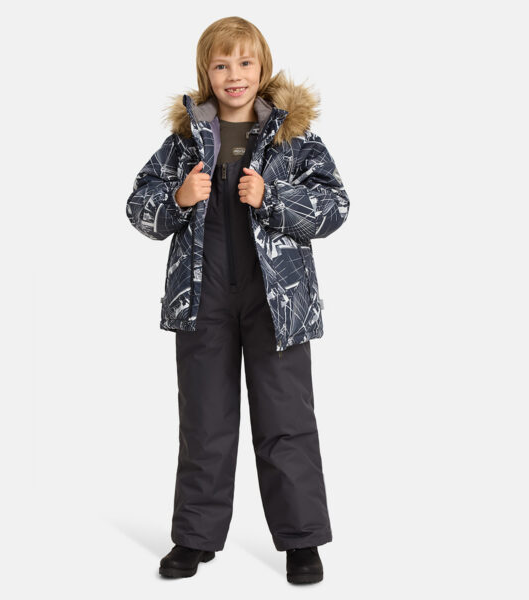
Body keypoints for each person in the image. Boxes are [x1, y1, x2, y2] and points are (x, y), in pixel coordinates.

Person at [126, 16, 350, 584]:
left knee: (286, 419)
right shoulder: (185, 142)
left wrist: (271, 197)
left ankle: (301, 540)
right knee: (205, 420)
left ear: (262, 67)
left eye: (245, 63)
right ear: (207, 73)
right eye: (222, 64)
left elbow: (335, 208)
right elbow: (139, 207)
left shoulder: (293, 138)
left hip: (279, 300)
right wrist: (178, 198)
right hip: (201, 299)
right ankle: (194, 537)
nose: (234, 75)